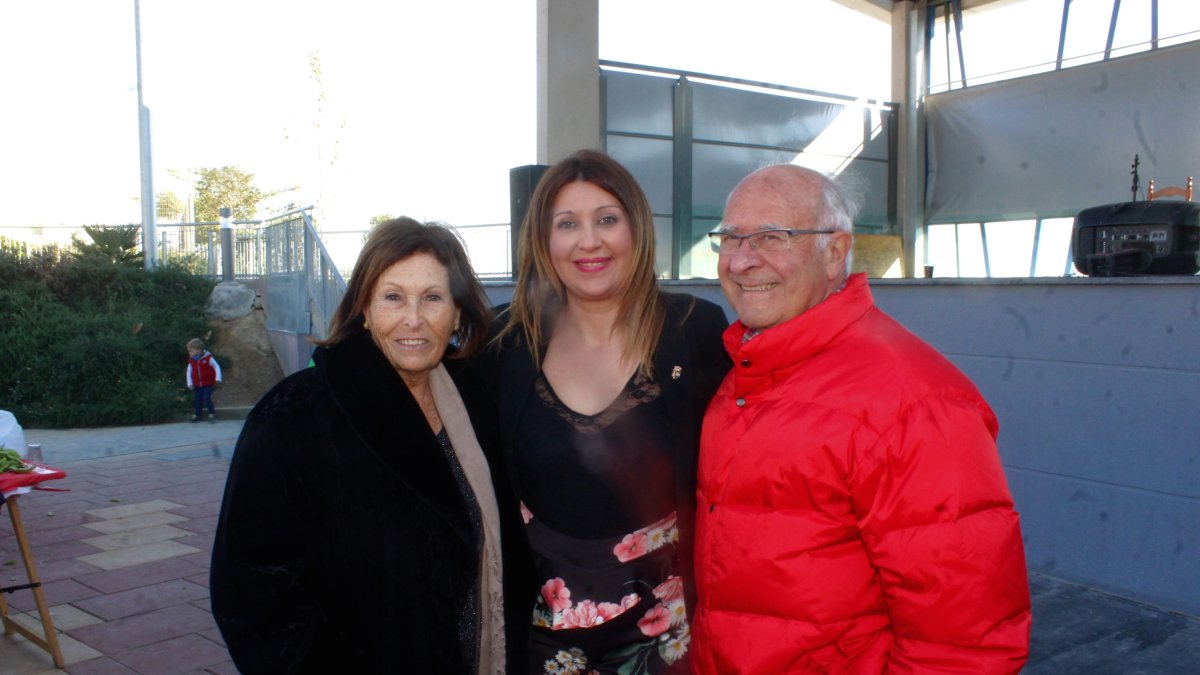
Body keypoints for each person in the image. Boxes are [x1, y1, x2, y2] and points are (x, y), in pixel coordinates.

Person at [691, 164, 1031, 674]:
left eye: (770, 237)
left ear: (834, 253)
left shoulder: (915, 404)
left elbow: (964, 646)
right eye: (731, 238)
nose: (741, 261)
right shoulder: (745, 370)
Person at [211, 218, 509, 674]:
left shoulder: (476, 404)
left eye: (432, 297)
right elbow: (251, 591)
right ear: (364, 309)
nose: (413, 318)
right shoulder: (294, 417)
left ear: (457, 312)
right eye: (393, 297)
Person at [474, 149, 730, 674]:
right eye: (567, 223)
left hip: (669, 630)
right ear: (544, 240)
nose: (588, 241)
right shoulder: (505, 341)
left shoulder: (694, 330)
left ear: (635, 229)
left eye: (606, 220)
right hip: (540, 632)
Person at [185, 338, 222, 422]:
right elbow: (189, 371)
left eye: (191, 351)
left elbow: (216, 366)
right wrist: (189, 383)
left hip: (207, 383)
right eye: (189, 351)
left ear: (198, 350)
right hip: (197, 384)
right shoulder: (192, 360)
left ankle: (211, 413)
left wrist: (218, 378)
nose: (189, 353)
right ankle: (198, 415)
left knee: (207, 398)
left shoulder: (208, 358)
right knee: (197, 400)